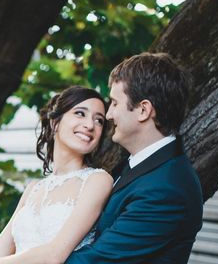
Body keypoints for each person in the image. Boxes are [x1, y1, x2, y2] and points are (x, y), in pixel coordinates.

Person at [66, 52, 203, 263]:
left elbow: (96, 260)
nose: (109, 115)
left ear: (143, 110)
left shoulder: (166, 189)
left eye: (114, 103)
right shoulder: (138, 167)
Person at [0, 86, 113, 264]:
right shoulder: (34, 188)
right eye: (80, 113)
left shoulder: (98, 180)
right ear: (55, 122)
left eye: (99, 121)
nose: (90, 125)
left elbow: (54, 255)